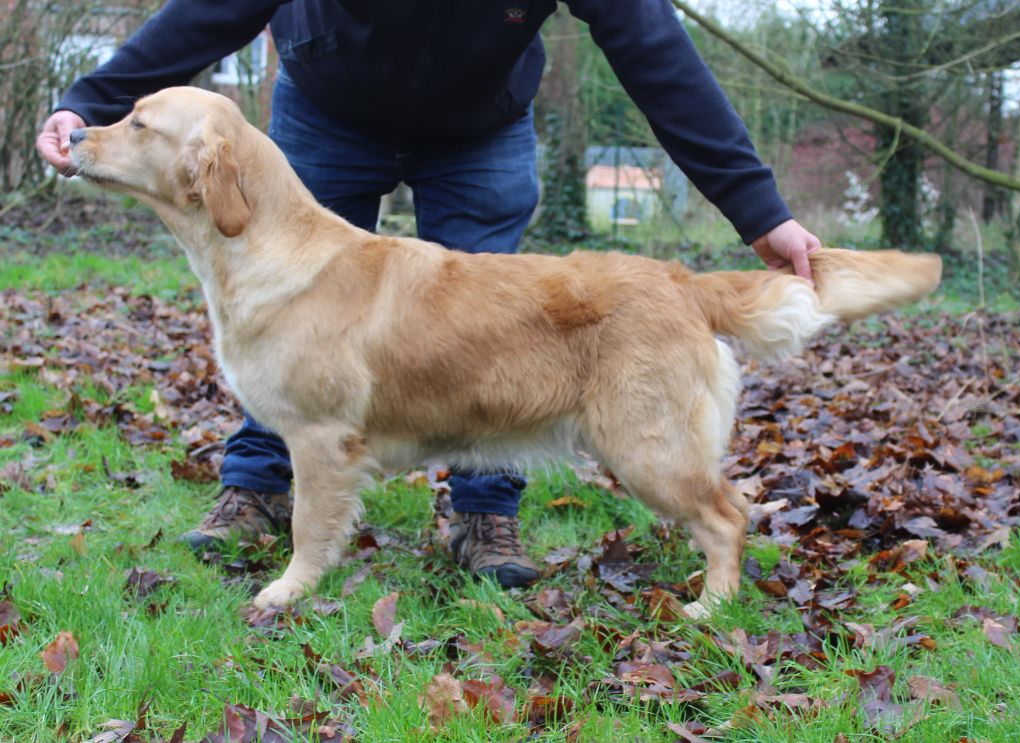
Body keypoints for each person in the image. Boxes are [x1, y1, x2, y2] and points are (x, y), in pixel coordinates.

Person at [37, 1, 821, 590]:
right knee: (288, 321)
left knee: (492, 334)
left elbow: (655, 51)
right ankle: (255, 488)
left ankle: (485, 512)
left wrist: (760, 212)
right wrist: (90, 96)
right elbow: (214, 9)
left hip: (479, 124)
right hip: (329, 106)